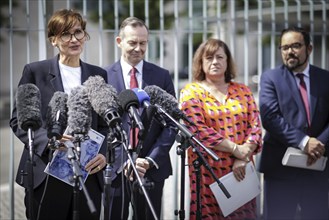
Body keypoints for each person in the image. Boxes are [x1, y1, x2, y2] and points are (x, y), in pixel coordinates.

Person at [9, 9, 108, 220]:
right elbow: (19, 120)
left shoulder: (98, 74)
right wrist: (49, 142)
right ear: (53, 40)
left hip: (87, 175)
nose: (74, 39)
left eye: (78, 32)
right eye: (65, 34)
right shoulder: (35, 72)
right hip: (46, 173)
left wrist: (104, 153)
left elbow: (105, 124)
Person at [179, 38, 262, 219]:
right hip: (206, 172)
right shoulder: (191, 92)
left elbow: (255, 127)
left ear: (227, 61)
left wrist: (243, 156)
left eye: (219, 57)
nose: (215, 62)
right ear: (200, 62)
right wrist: (235, 149)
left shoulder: (244, 91)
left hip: (241, 171)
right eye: (209, 58)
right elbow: (198, 130)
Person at [104, 16, 177, 220]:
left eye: (143, 43)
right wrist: (124, 160)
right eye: (132, 42)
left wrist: (149, 160)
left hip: (150, 170)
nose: (138, 48)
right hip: (116, 171)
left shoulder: (161, 76)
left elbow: (170, 123)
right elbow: (101, 126)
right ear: (119, 41)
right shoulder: (104, 76)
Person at [258, 26, 329, 220]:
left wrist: (319, 144)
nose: (290, 51)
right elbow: (270, 118)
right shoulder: (270, 78)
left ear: (309, 48)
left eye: (296, 46)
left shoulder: (325, 78)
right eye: (285, 47)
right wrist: (305, 142)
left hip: (318, 168)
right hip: (281, 170)